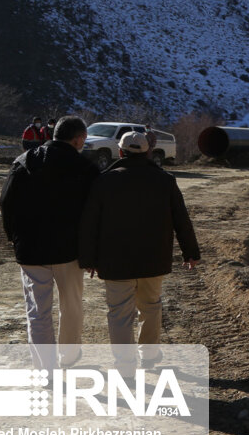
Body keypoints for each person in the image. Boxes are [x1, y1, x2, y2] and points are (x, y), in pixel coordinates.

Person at [79, 131, 200, 368]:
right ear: (148, 152)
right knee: (151, 307)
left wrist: (88, 258)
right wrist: (191, 253)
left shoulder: (104, 181)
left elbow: (89, 223)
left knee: (119, 313)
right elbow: (181, 220)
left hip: (114, 261)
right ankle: (149, 356)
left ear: (121, 152)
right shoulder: (165, 180)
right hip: (153, 259)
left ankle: (125, 364)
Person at [0, 116, 99, 372]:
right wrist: (93, 250)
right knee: (72, 306)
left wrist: (14, 237)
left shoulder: (24, 162)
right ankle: (68, 357)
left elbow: (6, 202)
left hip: (31, 250)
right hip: (70, 251)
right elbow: (96, 213)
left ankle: (45, 367)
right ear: (78, 139)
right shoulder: (86, 168)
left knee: (37, 311)